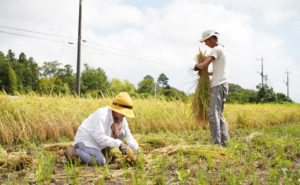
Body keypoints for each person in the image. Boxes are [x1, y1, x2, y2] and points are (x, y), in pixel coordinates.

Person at [64, 92, 139, 165]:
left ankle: (102, 152)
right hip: (87, 141)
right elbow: (99, 137)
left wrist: (137, 151)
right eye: (124, 112)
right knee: (101, 161)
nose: (125, 115)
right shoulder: (102, 115)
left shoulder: (121, 118)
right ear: (117, 109)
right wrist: (119, 144)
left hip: (99, 142)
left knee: (122, 133)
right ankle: (76, 151)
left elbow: (129, 136)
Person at [195, 30, 229, 147]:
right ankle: (225, 142)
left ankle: (216, 142)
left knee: (212, 114)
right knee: (219, 114)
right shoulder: (222, 49)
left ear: (211, 38)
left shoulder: (215, 49)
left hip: (217, 86)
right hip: (223, 84)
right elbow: (215, 71)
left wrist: (197, 66)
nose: (205, 44)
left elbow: (204, 65)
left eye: (206, 41)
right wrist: (206, 73)